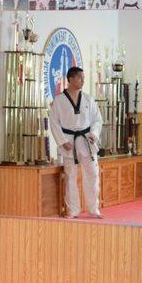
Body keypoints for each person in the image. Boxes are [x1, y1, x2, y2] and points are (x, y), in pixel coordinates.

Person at [50, 67, 103, 219]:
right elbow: (54, 123)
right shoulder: (59, 101)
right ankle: (73, 210)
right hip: (69, 142)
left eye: (83, 77)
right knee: (71, 176)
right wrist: (62, 141)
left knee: (92, 174)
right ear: (71, 79)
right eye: (80, 77)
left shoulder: (88, 99)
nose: (83, 80)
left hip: (86, 140)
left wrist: (93, 134)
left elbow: (97, 119)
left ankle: (94, 208)